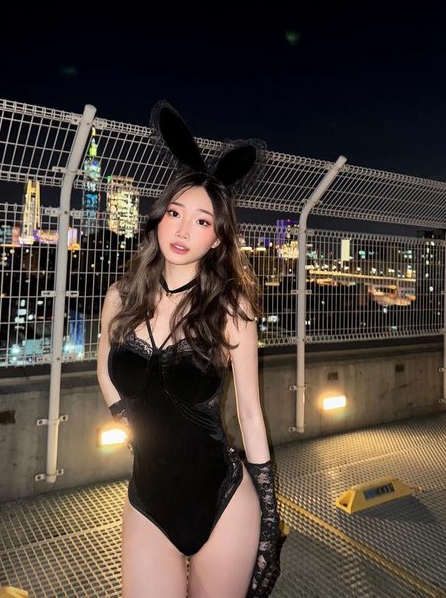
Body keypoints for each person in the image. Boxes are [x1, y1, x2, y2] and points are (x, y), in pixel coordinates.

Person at [97, 102, 283, 597]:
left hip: (222, 502)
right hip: (148, 500)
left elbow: (249, 411)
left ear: (218, 237)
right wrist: (131, 422)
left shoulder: (230, 307)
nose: (182, 230)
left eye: (202, 221)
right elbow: (105, 371)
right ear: (159, 216)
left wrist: (269, 515)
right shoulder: (120, 297)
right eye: (176, 213)